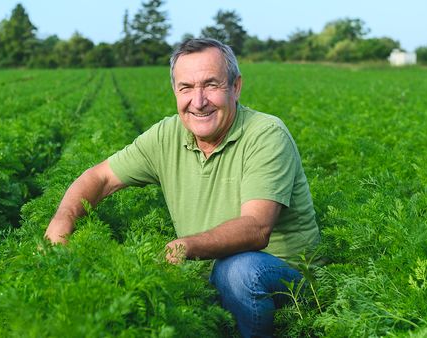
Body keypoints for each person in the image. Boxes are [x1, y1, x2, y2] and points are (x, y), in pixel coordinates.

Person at [44, 38, 320, 338]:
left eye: (211, 85)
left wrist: (186, 246)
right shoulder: (167, 134)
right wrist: (62, 222)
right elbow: (100, 178)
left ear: (236, 87)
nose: (198, 101)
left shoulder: (266, 135)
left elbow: (256, 228)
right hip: (211, 276)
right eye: (186, 88)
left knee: (239, 271)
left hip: (285, 282)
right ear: (175, 91)